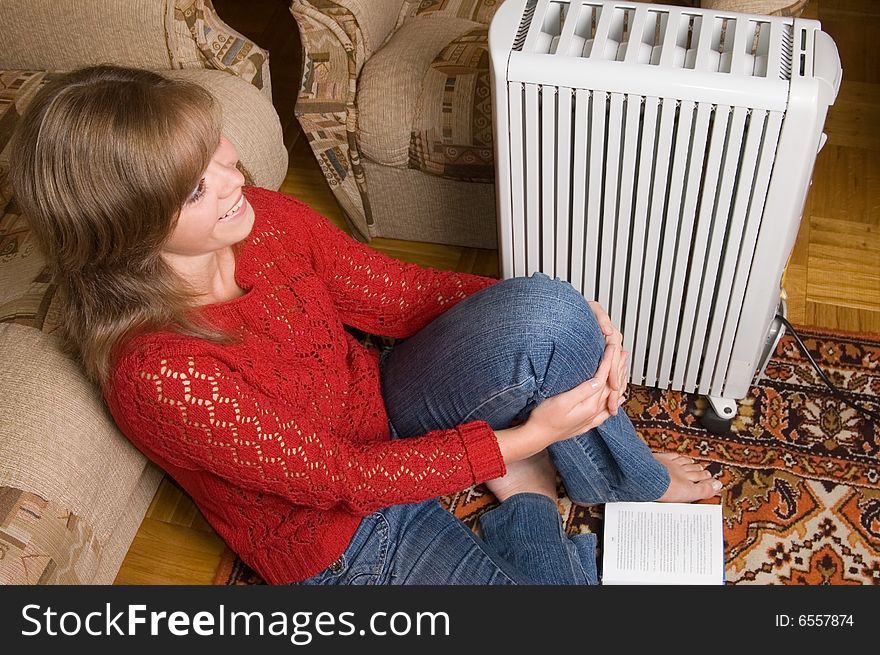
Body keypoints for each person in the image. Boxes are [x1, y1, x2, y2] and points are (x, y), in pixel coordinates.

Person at [10, 65, 722, 586]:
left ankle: (629, 482)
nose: (233, 178)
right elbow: (341, 477)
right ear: (130, 230)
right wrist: (527, 437)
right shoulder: (161, 373)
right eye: (196, 186)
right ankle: (528, 497)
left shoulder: (256, 218)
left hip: (378, 403)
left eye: (213, 146)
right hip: (338, 536)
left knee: (550, 311)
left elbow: (402, 292)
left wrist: (563, 309)